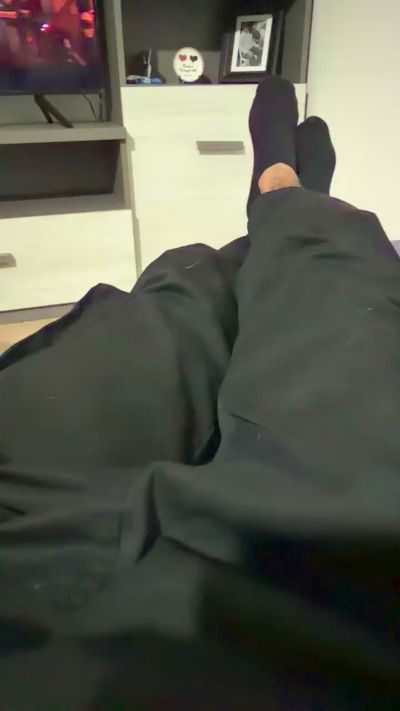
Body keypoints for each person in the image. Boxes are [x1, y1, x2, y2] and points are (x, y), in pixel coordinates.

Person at [0, 78, 399, 709]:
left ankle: (282, 215)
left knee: (172, 305)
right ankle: (286, 206)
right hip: (277, 610)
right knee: (341, 335)